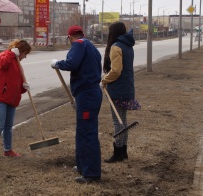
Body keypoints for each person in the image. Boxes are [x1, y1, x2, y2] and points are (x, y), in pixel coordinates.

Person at [51, 25, 102, 184]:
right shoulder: (91, 46)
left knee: (87, 134)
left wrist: (57, 63)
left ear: (70, 37)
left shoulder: (79, 44)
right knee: (82, 132)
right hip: (88, 94)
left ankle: (91, 173)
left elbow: (71, 63)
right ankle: (82, 166)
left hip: (87, 94)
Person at [101, 22, 140, 163]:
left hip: (117, 89)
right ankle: (123, 151)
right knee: (123, 121)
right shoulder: (128, 46)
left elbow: (116, 70)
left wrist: (104, 80)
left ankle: (118, 152)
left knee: (118, 122)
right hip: (127, 87)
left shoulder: (116, 47)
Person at [0, 39, 32, 160]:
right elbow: (3, 64)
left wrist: (23, 87)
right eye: (25, 54)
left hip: (11, 99)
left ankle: (8, 150)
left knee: (8, 126)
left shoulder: (17, 64)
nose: (25, 57)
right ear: (20, 51)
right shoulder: (5, 56)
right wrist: (12, 53)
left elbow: (15, 83)